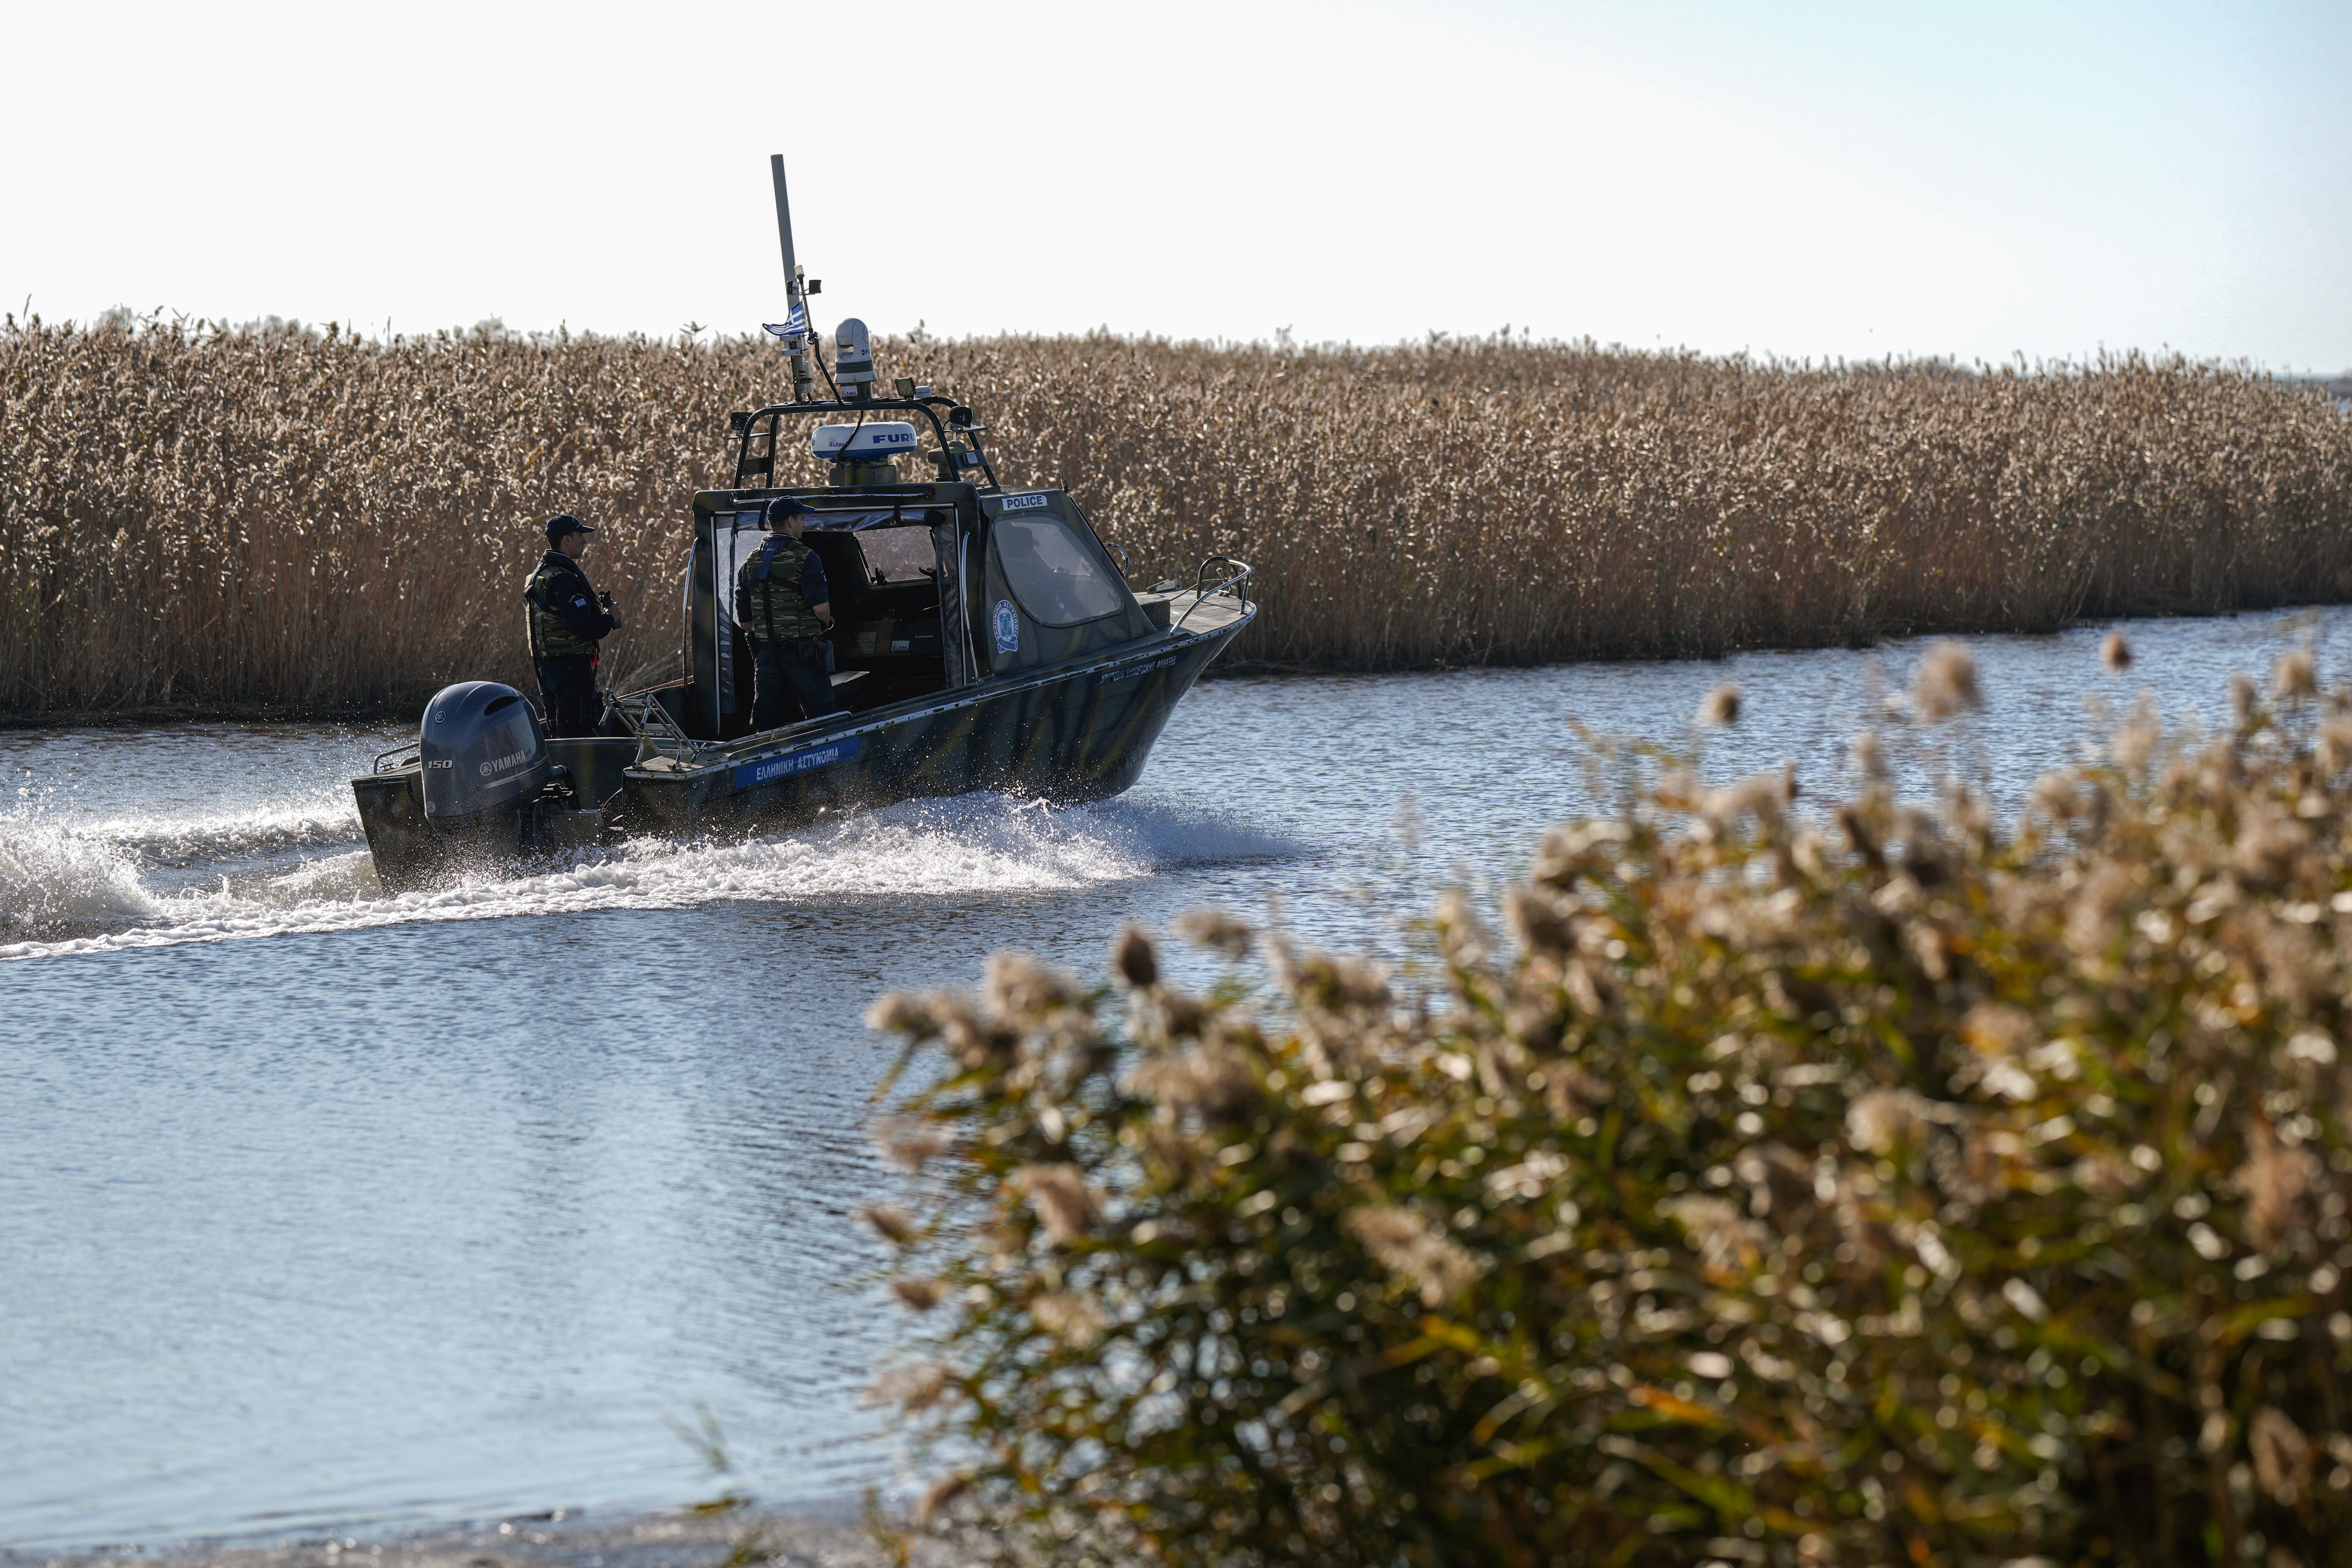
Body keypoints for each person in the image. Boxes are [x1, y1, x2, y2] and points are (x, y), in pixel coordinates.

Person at [734, 496, 843, 730]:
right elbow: (821, 608)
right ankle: (826, 765)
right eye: (803, 519)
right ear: (791, 521)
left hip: (766, 655)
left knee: (766, 723)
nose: (805, 524)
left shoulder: (751, 561)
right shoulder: (806, 558)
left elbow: (745, 622)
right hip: (803, 654)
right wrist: (827, 623)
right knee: (824, 718)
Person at [523, 514, 624, 737]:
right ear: (567, 540)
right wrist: (610, 618)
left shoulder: (538, 575)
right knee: (577, 737)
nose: (585, 542)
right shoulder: (563, 579)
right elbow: (582, 625)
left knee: (560, 736)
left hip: (548, 671)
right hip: (569, 672)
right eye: (581, 536)